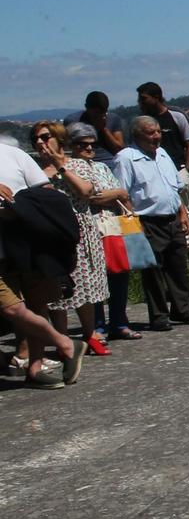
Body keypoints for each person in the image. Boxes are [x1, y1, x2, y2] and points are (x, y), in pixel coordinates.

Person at [0, 136, 83, 387]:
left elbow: (45, 195)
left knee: (37, 306)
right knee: (10, 307)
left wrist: (17, 206)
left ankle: (35, 370)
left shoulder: (12, 154)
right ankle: (65, 342)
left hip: (25, 244)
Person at [113, 116, 189, 330]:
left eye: (159, 132)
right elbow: (123, 194)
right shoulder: (126, 158)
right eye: (151, 133)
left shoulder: (162, 154)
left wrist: (182, 212)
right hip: (148, 220)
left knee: (178, 266)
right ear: (137, 135)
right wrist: (134, 224)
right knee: (153, 271)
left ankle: (182, 310)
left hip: (172, 217)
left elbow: (173, 187)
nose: (157, 136)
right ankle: (159, 315)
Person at [47, 124, 113, 356]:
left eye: (47, 137)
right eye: (38, 138)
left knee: (86, 285)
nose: (43, 142)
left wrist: (60, 166)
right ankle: (62, 340)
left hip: (81, 232)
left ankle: (90, 334)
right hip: (52, 233)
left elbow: (85, 191)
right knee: (57, 290)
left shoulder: (77, 165)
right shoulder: (35, 169)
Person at [136, 84, 189, 179]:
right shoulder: (142, 121)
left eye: (144, 98)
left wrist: (186, 171)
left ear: (156, 97)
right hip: (154, 171)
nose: (140, 102)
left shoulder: (177, 116)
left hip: (178, 168)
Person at [74, 91, 126, 162]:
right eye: (96, 113)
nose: (100, 116)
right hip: (84, 163)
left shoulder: (114, 119)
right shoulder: (74, 121)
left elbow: (120, 151)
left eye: (103, 112)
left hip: (111, 162)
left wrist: (103, 129)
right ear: (86, 108)